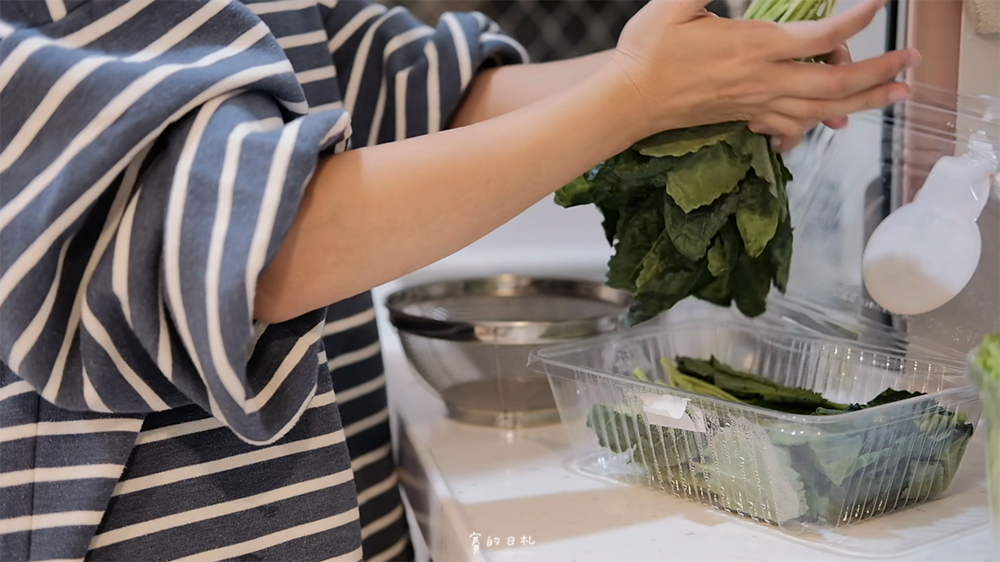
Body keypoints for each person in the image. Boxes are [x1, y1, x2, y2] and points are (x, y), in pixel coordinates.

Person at [0, 0, 917, 559]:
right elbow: (245, 249)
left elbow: (401, 97)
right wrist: (637, 93)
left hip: (340, 510)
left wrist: (712, 79)